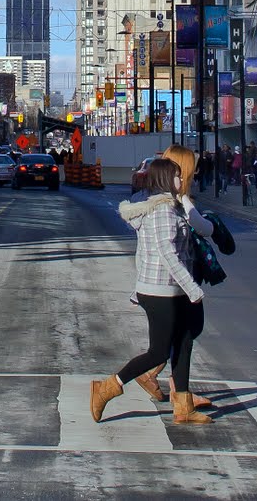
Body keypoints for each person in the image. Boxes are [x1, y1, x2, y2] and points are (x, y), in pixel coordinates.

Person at [91, 158, 210, 426]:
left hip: (169, 289)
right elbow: (167, 254)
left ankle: (183, 407)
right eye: (177, 176)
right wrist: (192, 288)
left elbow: (155, 253)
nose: (182, 180)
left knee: (184, 342)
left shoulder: (170, 207)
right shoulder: (163, 212)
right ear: (166, 180)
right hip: (160, 291)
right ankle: (107, 387)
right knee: (158, 352)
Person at [132, 145, 221, 411]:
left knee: (181, 334)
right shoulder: (176, 201)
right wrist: (213, 224)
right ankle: (165, 384)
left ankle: (177, 389)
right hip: (176, 277)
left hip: (164, 278)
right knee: (186, 332)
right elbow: (201, 229)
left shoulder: (163, 199)